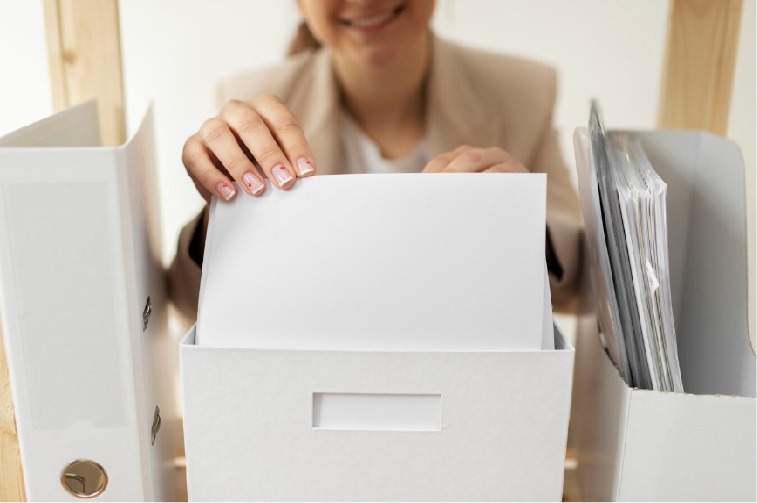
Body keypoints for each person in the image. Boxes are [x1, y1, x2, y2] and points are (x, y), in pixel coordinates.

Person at [168, 0, 584, 322]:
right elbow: (187, 305)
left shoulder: (524, 92)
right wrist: (220, 219)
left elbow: (580, 282)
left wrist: (527, 228)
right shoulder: (248, 100)